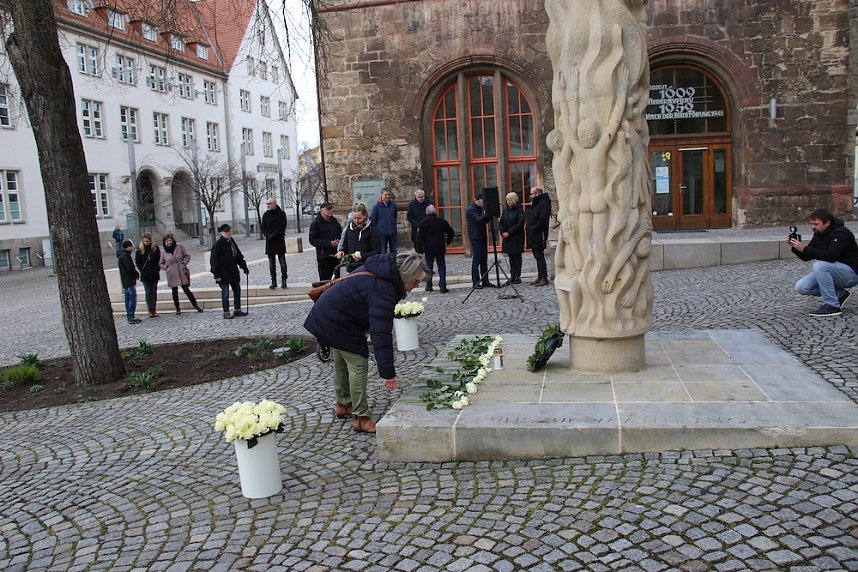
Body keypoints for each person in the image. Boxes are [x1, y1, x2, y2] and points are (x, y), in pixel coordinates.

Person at [303, 251, 431, 433]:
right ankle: (361, 418)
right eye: (416, 282)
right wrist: (388, 373)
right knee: (358, 363)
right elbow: (380, 333)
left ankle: (344, 404)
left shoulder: (381, 271)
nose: (415, 287)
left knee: (341, 360)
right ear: (406, 275)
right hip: (336, 320)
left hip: (328, 314)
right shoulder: (384, 288)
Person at [789, 208, 858, 317]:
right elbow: (807, 256)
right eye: (811, 224)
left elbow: (831, 256)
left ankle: (833, 306)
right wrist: (796, 248)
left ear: (827, 223)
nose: (813, 227)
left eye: (816, 224)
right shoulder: (819, 233)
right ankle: (839, 294)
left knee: (820, 265)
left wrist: (805, 249)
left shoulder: (841, 233)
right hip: (832, 271)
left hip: (851, 273)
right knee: (802, 287)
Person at [210, 224, 249, 319]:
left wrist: (244, 267)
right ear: (221, 233)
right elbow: (214, 261)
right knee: (225, 293)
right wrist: (216, 275)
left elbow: (238, 256)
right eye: (226, 231)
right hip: (223, 273)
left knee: (237, 290)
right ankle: (226, 312)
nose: (228, 233)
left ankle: (237, 309)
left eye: (229, 231)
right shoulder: (217, 245)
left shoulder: (232, 242)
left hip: (233, 271)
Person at [160, 233, 204, 315]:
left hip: (181, 271)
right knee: (174, 291)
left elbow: (187, 256)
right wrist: (166, 268)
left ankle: (196, 306)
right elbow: (161, 263)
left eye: (170, 240)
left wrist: (183, 263)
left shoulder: (179, 246)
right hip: (171, 273)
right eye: (167, 241)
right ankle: (177, 308)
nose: (169, 242)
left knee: (186, 289)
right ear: (164, 242)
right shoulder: (163, 251)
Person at [416, 204, 454, 293]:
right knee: (441, 266)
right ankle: (443, 286)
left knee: (429, 267)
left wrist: (419, 250)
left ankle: (429, 285)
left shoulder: (423, 223)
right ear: (436, 212)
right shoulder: (441, 221)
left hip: (428, 248)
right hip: (440, 247)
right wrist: (448, 242)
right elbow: (451, 232)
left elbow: (419, 238)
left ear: (426, 212)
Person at [337, 203, 380, 273]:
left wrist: (361, 256)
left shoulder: (372, 229)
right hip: (351, 267)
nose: (356, 221)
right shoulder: (349, 227)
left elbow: (377, 251)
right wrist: (341, 251)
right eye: (354, 218)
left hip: (366, 267)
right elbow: (345, 244)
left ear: (365, 216)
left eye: (359, 218)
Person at [466, 193, 495, 289]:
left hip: (482, 236)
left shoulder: (479, 209)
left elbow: (485, 220)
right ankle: (475, 281)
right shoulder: (471, 210)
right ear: (478, 201)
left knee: (484, 260)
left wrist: (488, 213)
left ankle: (485, 280)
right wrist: (486, 211)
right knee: (477, 260)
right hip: (476, 237)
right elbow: (479, 220)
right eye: (483, 202)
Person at [308, 202, 343, 281]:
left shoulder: (335, 222)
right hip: (323, 256)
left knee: (337, 279)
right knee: (325, 280)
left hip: (335, 255)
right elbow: (312, 240)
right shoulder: (316, 223)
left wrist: (338, 241)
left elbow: (341, 235)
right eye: (328, 209)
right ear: (322, 210)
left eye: (331, 208)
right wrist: (328, 243)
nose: (330, 211)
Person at [525, 186, 551, 286]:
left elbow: (543, 219)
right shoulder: (537, 203)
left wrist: (534, 227)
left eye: (532, 193)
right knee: (537, 256)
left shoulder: (543, 203)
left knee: (540, 256)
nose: (531, 196)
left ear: (537, 193)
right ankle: (540, 276)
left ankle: (544, 277)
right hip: (534, 233)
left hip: (539, 234)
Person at [261, 197, 288, 289]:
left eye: (269, 204)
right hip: (270, 241)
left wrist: (274, 234)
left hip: (279, 240)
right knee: (271, 263)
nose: (268, 205)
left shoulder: (281, 214)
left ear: (274, 204)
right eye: (267, 204)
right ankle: (273, 281)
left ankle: (284, 280)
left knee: (282, 262)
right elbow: (263, 227)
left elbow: (282, 226)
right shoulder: (266, 215)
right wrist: (267, 235)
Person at [499, 191, 525, 285]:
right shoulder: (506, 210)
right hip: (507, 237)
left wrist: (509, 232)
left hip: (516, 237)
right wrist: (502, 232)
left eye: (510, 200)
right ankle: (512, 275)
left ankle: (517, 276)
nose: (508, 202)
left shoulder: (519, 210)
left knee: (517, 257)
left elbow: (520, 223)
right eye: (507, 200)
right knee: (511, 257)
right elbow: (501, 222)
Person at [135, 233, 161, 318]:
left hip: (154, 274)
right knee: (148, 292)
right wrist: (142, 270)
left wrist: (157, 269)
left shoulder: (155, 249)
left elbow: (158, 259)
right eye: (144, 241)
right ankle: (150, 309)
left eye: (147, 241)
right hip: (145, 275)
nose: (146, 243)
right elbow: (138, 262)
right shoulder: (140, 250)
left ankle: (154, 309)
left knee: (154, 292)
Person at [117, 240, 141, 324]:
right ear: (129, 247)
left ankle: (129, 316)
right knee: (132, 299)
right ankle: (131, 316)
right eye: (131, 246)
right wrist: (136, 274)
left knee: (128, 299)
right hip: (129, 280)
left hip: (125, 281)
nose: (132, 248)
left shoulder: (122, 255)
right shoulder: (125, 256)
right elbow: (130, 268)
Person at [371, 187, 398, 254]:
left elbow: (394, 216)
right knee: (383, 252)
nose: (387, 196)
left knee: (394, 252)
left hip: (392, 232)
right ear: (382, 194)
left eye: (389, 194)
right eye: (386, 194)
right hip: (381, 234)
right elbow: (373, 220)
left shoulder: (393, 205)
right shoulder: (376, 207)